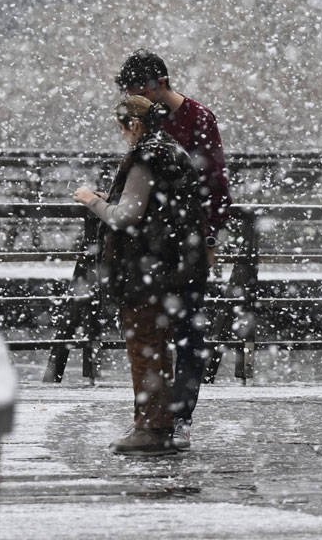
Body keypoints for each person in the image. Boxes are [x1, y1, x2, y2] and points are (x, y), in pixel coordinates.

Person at [74, 95, 208, 457]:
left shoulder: (146, 155)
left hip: (144, 270)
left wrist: (91, 200)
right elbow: (153, 207)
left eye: (122, 128)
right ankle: (160, 423)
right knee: (159, 346)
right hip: (170, 267)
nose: (122, 136)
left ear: (133, 124)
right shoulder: (173, 151)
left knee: (144, 345)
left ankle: (150, 427)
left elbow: (126, 217)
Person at [115, 49, 231, 450]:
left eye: (139, 90)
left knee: (187, 329)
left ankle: (179, 413)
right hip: (155, 243)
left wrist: (209, 237)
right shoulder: (151, 126)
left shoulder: (197, 119)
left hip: (186, 239)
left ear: (160, 84)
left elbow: (215, 184)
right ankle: (157, 415)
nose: (136, 99)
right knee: (153, 327)